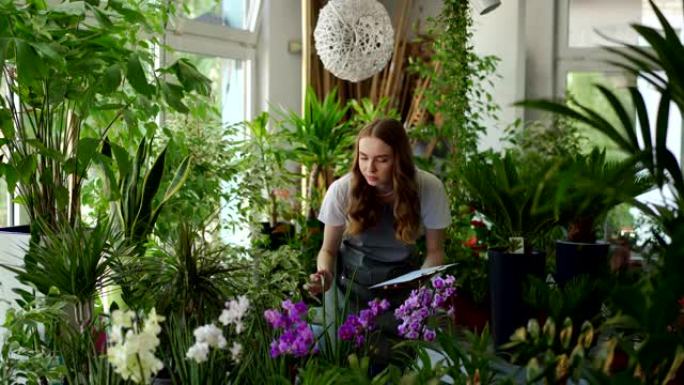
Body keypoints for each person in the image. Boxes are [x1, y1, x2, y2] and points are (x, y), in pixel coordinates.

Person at [305, 118, 451, 314]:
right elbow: (328, 251)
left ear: (400, 159)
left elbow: (435, 252)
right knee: (343, 343)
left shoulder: (429, 188)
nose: (369, 168)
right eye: (363, 157)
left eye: (382, 160)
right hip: (347, 285)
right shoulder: (341, 190)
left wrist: (419, 290)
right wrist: (325, 275)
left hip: (402, 284)